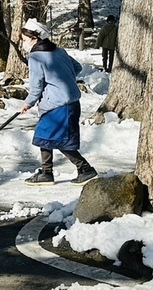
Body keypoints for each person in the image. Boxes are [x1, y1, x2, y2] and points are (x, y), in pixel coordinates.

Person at [19, 18, 98, 186]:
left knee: (61, 139)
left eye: (25, 40)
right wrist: (64, 81)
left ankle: (85, 169)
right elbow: (77, 68)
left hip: (59, 105)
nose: (23, 44)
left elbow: (36, 85)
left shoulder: (35, 57)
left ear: (35, 38)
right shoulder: (59, 51)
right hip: (64, 103)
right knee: (43, 136)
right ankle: (46, 173)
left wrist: (28, 103)